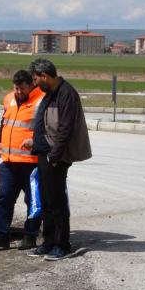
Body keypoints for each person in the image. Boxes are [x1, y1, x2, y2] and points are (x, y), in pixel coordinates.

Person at [29, 59, 92, 261]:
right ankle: (48, 242)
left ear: (45, 76)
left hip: (55, 157)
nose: (35, 83)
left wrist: (53, 157)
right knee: (46, 200)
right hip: (45, 155)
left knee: (56, 202)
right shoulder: (49, 94)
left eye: (36, 79)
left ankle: (62, 245)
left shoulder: (66, 94)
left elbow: (65, 129)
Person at [0, 69, 46, 250]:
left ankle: (30, 235)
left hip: (31, 162)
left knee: (32, 201)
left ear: (31, 85)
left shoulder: (41, 100)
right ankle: (2, 235)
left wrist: (35, 141)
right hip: (9, 161)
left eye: (22, 88)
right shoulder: (9, 99)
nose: (18, 92)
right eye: (16, 88)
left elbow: (47, 128)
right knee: (4, 198)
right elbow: (4, 122)